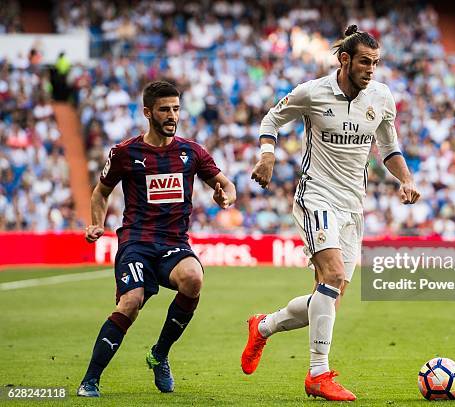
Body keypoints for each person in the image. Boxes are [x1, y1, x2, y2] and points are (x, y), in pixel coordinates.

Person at [243, 25, 420, 401]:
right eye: (365, 62)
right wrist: (268, 155)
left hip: (353, 205)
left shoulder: (382, 98)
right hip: (316, 195)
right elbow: (271, 119)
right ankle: (318, 374)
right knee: (334, 275)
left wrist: (405, 179)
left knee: (329, 297)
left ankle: (262, 327)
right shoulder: (313, 92)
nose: (371, 69)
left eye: (376, 62)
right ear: (344, 59)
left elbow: (389, 149)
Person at [77, 81, 236, 397]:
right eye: (165, 109)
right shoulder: (126, 153)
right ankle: (90, 380)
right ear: (148, 112)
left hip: (173, 243)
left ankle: (160, 354)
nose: (172, 115)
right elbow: (101, 191)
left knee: (193, 278)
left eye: (176, 108)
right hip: (136, 242)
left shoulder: (191, 152)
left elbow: (226, 184)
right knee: (131, 302)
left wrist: (226, 198)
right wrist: (97, 224)